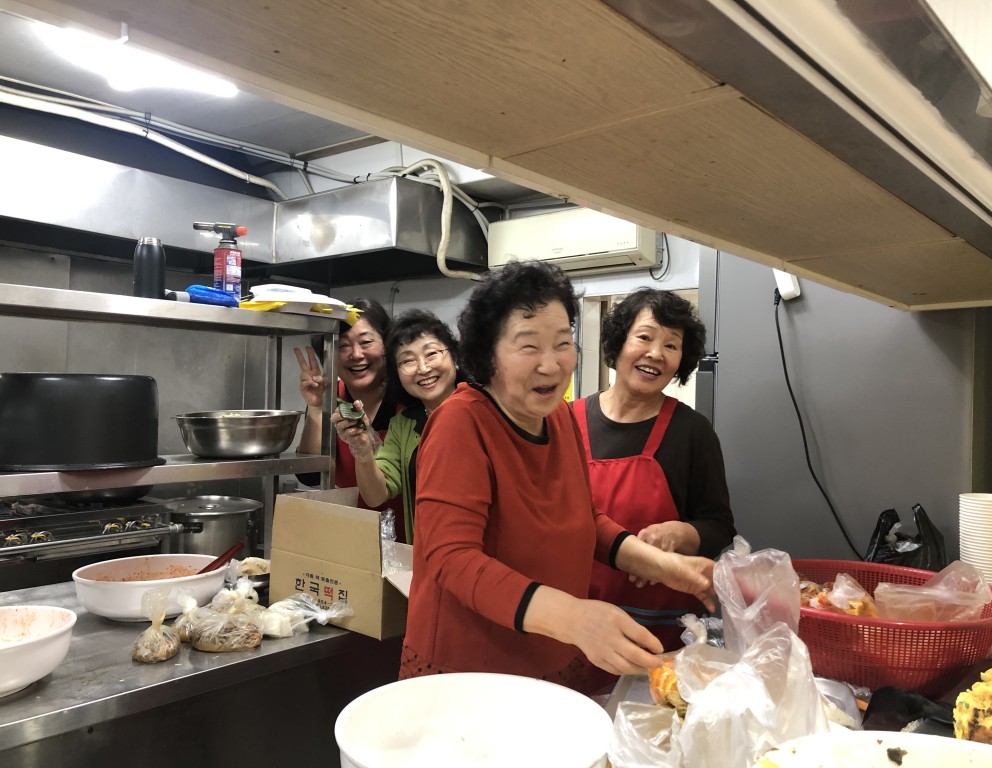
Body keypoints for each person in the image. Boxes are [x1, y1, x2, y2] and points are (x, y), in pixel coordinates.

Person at [399, 260, 716, 693]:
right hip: (472, 672)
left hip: (554, 659)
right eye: (528, 346)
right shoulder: (461, 422)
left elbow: (587, 519)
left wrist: (666, 567)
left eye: (563, 342)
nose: (551, 365)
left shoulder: (560, 418)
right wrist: (573, 617)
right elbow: (453, 558)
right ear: (487, 353)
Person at [573, 288, 735, 688]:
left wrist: (681, 533)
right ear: (619, 342)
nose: (656, 353)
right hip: (575, 626)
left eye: (671, 345)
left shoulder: (692, 432)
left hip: (659, 640)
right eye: (644, 337)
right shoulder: (565, 422)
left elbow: (720, 526)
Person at [334, 309, 460, 545]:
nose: (423, 368)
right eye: (408, 361)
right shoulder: (404, 424)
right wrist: (362, 450)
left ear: (453, 356)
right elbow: (376, 495)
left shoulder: (483, 408)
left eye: (431, 354)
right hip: (428, 553)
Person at [293, 298, 404, 530]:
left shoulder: (407, 399)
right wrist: (317, 407)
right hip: (351, 535)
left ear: (387, 344)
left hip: (411, 540)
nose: (356, 354)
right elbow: (310, 476)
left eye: (366, 342)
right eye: (343, 346)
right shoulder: (332, 397)